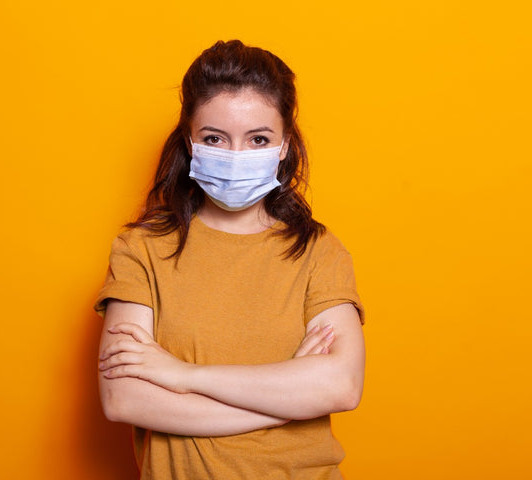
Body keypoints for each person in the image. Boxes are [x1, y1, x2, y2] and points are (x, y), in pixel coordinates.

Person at [94, 39, 365, 480]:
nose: (236, 156)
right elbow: (124, 398)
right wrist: (283, 403)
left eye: (258, 138)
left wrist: (182, 376)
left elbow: (341, 386)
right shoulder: (141, 250)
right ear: (190, 141)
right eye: (215, 138)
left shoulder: (319, 252)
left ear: (283, 146)